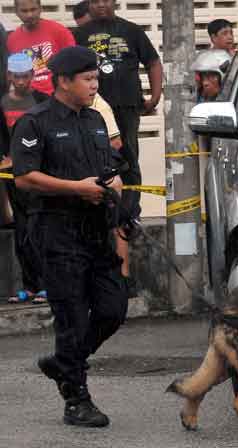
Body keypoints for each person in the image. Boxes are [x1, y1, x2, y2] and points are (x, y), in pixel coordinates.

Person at [11, 45, 127, 427]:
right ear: (63, 81)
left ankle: (63, 363)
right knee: (72, 317)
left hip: (96, 230)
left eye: (96, 78)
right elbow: (25, 177)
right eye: (88, 79)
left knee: (113, 308)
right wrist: (77, 188)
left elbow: (108, 168)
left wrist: (116, 187)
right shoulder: (35, 121)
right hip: (56, 232)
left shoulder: (95, 120)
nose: (95, 85)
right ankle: (76, 399)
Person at [75, 0, 163, 292]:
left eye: (106, 0)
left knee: (128, 159)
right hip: (92, 107)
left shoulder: (132, 30)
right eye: (96, 1)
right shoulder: (80, 34)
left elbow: (153, 62)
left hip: (126, 106)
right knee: (92, 160)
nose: (101, 5)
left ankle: (129, 211)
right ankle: (98, 205)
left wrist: (154, 95)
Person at [1, 53, 49, 304]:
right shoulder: (2, 104)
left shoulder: (42, 101)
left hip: (37, 175)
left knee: (38, 228)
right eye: (16, 77)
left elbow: (48, 136)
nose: (21, 81)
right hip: (12, 176)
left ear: (32, 75)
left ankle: (45, 285)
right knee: (22, 230)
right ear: (9, 76)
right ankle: (29, 286)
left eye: (25, 76)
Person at [8, 0, 76, 95]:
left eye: (33, 9)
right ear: (16, 12)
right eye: (24, 11)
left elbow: (74, 63)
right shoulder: (12, 39)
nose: (29, 15)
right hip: (30, 99)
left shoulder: (59, 31)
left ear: (40, 9)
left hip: (59, 95)